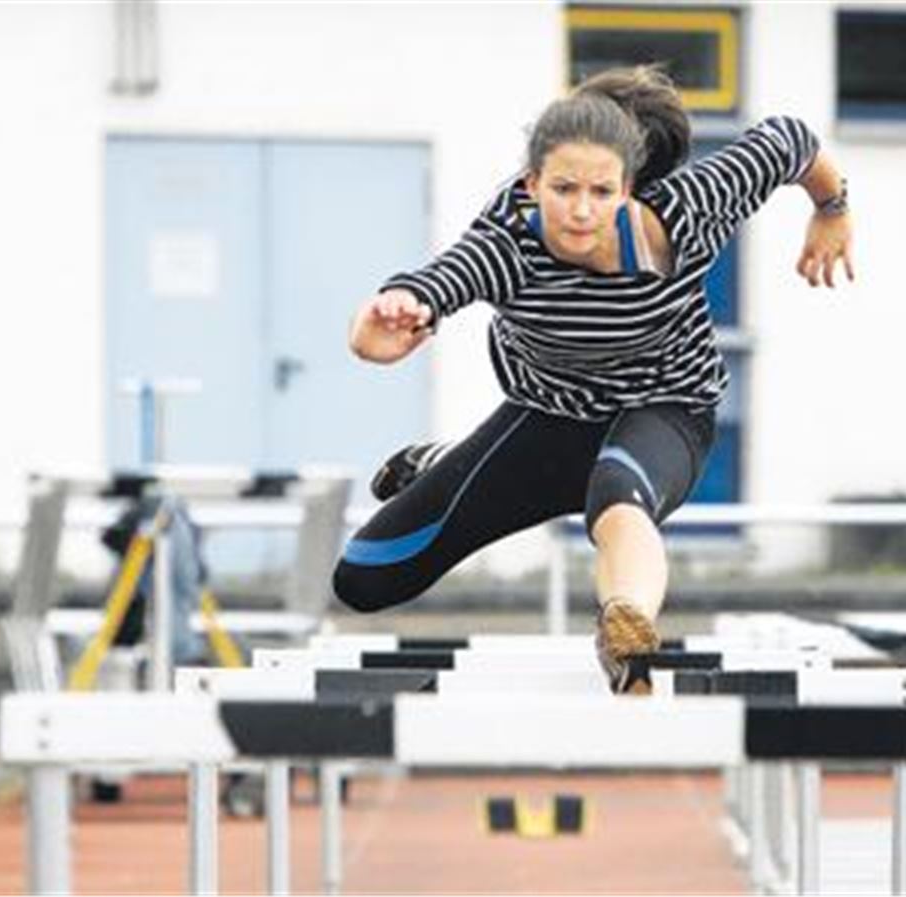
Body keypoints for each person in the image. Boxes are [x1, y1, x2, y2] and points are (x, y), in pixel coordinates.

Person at [333, 66, 854, 694]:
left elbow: (791, 140)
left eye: (602, 194)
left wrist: (833, 207)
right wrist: (392, 314)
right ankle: (453, 460)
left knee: (616, 490)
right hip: (548, 419)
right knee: (364, 578)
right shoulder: (509, 243)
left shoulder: (692, 208)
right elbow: (435, 283)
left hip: (667, 409)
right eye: (562, 190)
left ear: (632, 188)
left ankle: (626, 627)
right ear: (533, 184)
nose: (580, 215)